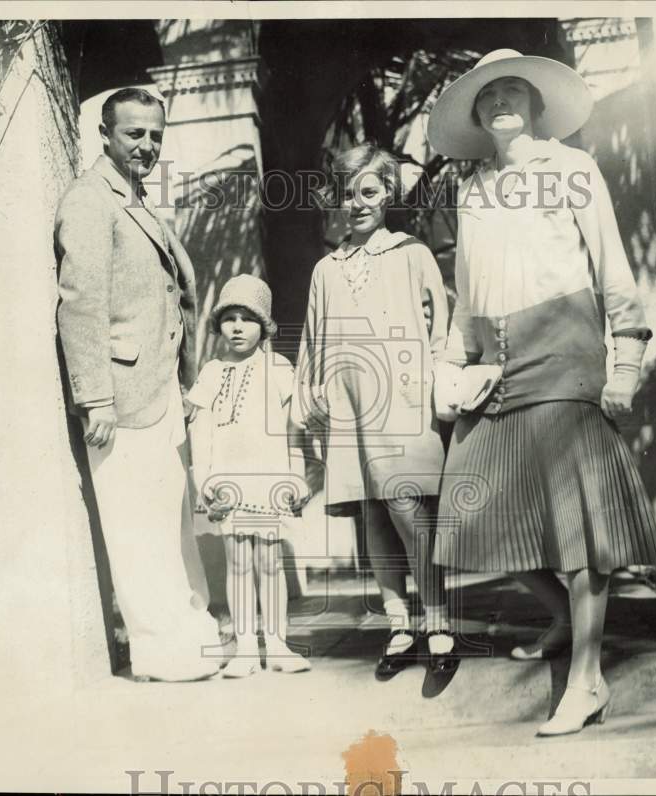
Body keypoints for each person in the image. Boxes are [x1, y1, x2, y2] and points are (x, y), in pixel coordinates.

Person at [427, 49, 656, 734]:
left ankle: (587, 679)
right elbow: (466, 298)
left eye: (514, 89)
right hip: (496, 363)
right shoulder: (470, 189)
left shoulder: (573, 168)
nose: (501, 100)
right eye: (487, 93)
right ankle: (562, 615)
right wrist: (453, 364)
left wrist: (623, 367)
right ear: (476, 114)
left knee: (579, 525)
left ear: (536, 105)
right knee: (471, 513)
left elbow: (615, 275)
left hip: (566, 351)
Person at [55, 87, 219, 682]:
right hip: (121, 396)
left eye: (155, 134)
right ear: (105, 134)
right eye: (134, 134)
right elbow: (80, 303)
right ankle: (160, 650)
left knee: (170, 516)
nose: (147, 145)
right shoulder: (89, 200)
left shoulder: (137, 200)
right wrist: (94, 396)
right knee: (134, 525)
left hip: (162, 389)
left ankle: (192, 629)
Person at [294, 144, 458, 690]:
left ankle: (437, 619)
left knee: (408, 505)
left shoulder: (412, 253)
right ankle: (398, 624)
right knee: (374, 515)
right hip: (349, 403)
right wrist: (312, 395)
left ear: (389, 193)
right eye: (347, 193)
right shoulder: (325, 269)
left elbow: (440, 328)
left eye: (369, 191)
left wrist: (437, 383)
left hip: (405, 399)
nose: (357, 202)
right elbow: (314, 343)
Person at [188, 274, 312, 678]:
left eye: (248, 318)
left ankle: (276, 644)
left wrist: (297, 476)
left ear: (265, 325)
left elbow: (294, 430)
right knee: (237, 563)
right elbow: (199, 432)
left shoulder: (278, 368)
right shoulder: (210, 374)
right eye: (230, 318)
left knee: (269, 562)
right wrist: (205, 481)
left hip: (268, 481)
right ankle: (244, 647)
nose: (238, 327)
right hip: (227, 485)